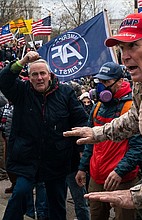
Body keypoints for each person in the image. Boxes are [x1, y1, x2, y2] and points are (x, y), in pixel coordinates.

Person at [64, 12, 142, 220]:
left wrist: (138, 195)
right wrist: (98, 133)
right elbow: (134, 118)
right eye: (121, 48)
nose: (124, 56)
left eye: (133, 46)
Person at [0, 51, 88, 220]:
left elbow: (80, 121)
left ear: (50, 75)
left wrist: (81, 149)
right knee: (19, 194)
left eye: (42, 73)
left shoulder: (66, 93)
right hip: (27, 159)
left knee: (57, 203)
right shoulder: (21, 91)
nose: (39, 78)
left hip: (57, 159)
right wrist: (23, 60)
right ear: (29, 77)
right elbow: (4, 80)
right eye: (35, 74)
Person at [75, 62, 142, 220]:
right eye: (100, 82)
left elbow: (138, 148)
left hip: (121, 179)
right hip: (97, 176)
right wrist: (83, 168)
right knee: (96, 216)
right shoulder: (97, 107)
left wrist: (119, 171)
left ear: (121, 81)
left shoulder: (131, 108)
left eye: (107, 82)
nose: (102, 86)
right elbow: (91, 140)